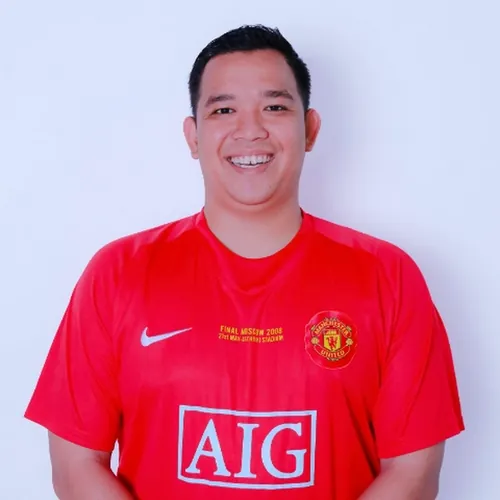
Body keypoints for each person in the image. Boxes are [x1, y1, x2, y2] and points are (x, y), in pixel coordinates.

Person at [25, 24, 464, 499]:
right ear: (193, 136)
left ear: (310, 129)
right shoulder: (118, 273)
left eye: (274, 107)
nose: (250, 130)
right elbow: (75, 464)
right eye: (223, 109)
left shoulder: (388, 277)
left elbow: (413, 471)